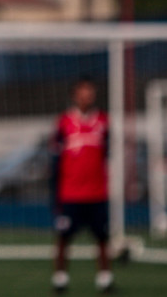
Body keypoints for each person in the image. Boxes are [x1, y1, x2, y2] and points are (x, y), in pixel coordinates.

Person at [51, 78, 113, 293]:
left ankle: (105, 278)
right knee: (63, 237)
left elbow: (108, 152)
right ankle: (60, 277)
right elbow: (55, 160)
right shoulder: (64, 122)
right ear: (74, 95)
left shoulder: (104, 122)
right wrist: (55, 193)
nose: (86, 96)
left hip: (98, 193)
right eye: (82, 92)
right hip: (70, 194)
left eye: (90, 92)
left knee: (102, 237)